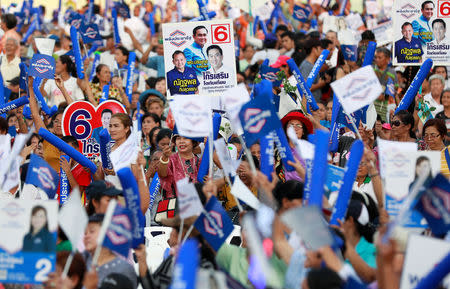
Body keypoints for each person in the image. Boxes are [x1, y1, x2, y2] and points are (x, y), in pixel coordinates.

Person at [83, 214, 138, 288]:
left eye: (92, 231)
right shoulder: (80, 260)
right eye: (85, 233)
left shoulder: (124, 269)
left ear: (107, 234)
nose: (86, 236)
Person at [157, 134, 200, 199]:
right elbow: (162, 174)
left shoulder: (200, 162)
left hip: (197, 205)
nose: (181, 141)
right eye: (178, 138)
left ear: (193, 142)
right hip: (174, 205)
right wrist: (164, 157)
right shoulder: (170, 159)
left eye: (185, 138)